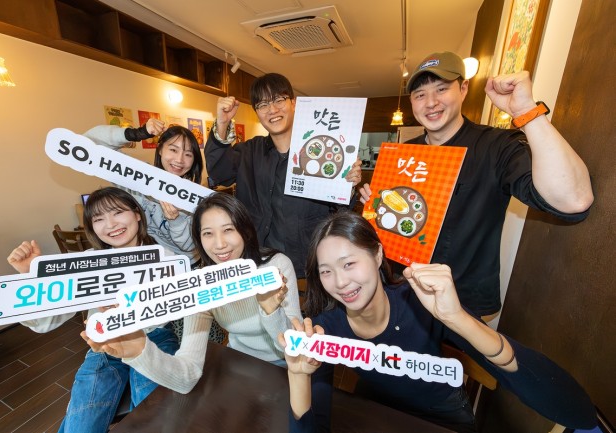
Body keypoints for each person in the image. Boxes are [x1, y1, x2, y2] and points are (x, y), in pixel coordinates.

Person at [279, 211, 597, 433]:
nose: (340, 282)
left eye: (349, 263)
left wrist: (456, 318)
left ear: (377, 255)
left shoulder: (421, 301)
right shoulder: (326, 329)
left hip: (442, 416)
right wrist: (298, 376)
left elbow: (578, 412)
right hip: (377, 413)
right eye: (326, 271)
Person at [359, 51, 593, 318]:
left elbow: (573, 200)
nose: (431, 102)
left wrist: (526, 111)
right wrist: (374, 207)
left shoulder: (496, 146)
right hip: (399, 292)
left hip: (461, 304)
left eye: (441, 89)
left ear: (463, 89)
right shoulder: (404, 153)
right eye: (420, 95)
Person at [83, 192, 302, 393]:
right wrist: (140, 351)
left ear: (245, 230)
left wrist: (271, 311)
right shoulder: (200, 284)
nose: (220, 244)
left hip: (287, 366)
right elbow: (186, 376)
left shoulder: (275, 266)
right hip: (236, 363)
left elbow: (294, 349)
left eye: (228, 230)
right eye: (208, 233)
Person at [7, 187, 180, 433]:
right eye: (98, 219)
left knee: (155, 416)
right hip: (104, 346)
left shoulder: (165, 257)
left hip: (154, 339)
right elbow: (47, 321)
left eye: (118, 212)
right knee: (81, 423)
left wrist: (133, 309)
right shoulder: (88, 262)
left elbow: (178, 308)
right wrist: (31, 277)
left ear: (137, 214)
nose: (110, 225)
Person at [204, 73, 363, 278]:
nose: (272, 110)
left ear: (294, 103)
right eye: (263, 104)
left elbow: (340, 212)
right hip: (258, 262)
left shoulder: (319, 152)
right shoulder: (249, 152)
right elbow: (219, 174)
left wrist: (347, 186)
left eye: (279, 100)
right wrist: (222, 123)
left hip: (309, 266)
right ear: (257, 112)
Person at [84, 119, 203, 266]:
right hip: (148, 263)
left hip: (185, 266)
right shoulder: (139, 176)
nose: (179, 160)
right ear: (160, 149)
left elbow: (190, 246)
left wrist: (175, 220)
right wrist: (138, 133)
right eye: (173, 150)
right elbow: (88, 143)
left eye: (188, 154)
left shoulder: (193, 196)